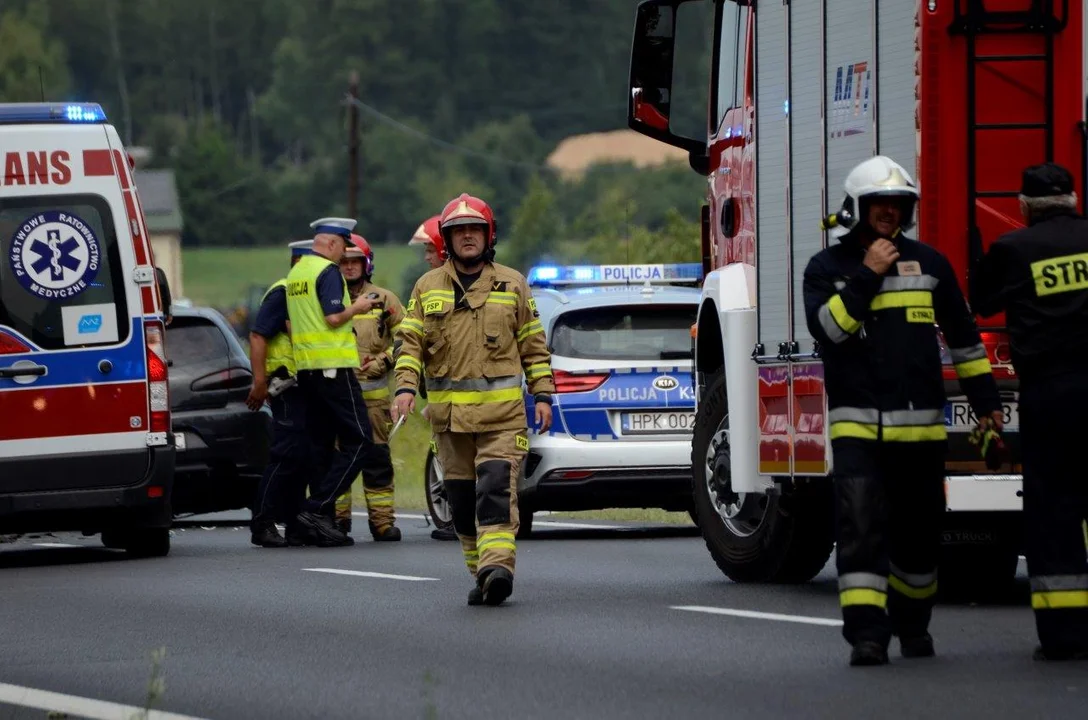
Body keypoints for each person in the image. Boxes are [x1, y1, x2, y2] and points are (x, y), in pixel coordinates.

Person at [803, 155, 1003, 666]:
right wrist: (869, 275)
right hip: (859, 433)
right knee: (860, 531)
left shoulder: (931, 265)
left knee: (919, 541)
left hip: (921, 436)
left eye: (898, 205)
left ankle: (914, 626)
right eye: (879, 205)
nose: (889, 212)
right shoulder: (828, 269)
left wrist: (987, 408)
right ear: (859, 207)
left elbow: (964, 342)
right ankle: (868, 636)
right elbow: (830, 332)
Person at [392, 193, 555, 606]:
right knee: (462, 505)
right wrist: (406, 388)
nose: (467, 237)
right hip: (449, 422)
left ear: (488, 236)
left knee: (496, 490)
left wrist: (543, 395)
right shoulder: (426, 287)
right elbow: (409, 343)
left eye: (474, 230)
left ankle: (498, 567)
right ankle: (480, 571)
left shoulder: (513, 283)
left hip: (503, 419)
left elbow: (533, 346)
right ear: (447, 240)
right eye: (458, 231)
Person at [971, 162, 1088, 662]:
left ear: (1023, 206)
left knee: (1054, 510)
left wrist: (979, 258)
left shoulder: (1013, 250)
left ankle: (1064, 637)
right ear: (1074, 198)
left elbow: (982, 302)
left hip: (1051, 395)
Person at [284, 217, 394, 547]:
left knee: (321, 447)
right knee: (361, 441)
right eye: (343, 249)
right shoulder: (326, 271)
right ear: (331, 243)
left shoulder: (297, 273)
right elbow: (333, 317)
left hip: (309, 371)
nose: (343, 259)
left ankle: (317, 517)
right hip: (334, 369)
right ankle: (317, 509)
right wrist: (358, 306)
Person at [331, 233, 405, 541]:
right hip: (337, 398)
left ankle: (382, 523)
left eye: (355, 262)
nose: (349, 268)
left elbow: (406, 339)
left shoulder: (384, 300)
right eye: (344, 262)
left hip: (374, 401)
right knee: (338, 460)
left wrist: (384, 361)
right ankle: (337, 521)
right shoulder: (330, 300)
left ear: (367, 264)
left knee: (377, 460)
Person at [246, 240, 315, 548]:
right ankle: (263, 522)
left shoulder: (306, 293)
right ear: (300, 262)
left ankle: (294, 523)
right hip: (285, 385)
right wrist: (259, 382)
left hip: (304, 386)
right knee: (286, 455)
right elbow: (259, 335)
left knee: (302, 457)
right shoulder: (284, 291)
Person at [408, 215, 461, 542]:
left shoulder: (447, 292)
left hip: (460, 398)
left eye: (431, 249)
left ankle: (459, 517)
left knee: (458, 461)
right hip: (440, 394)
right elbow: (413, 340)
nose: (427, 256)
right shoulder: (428, 288)